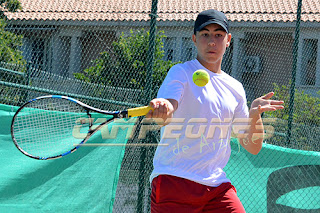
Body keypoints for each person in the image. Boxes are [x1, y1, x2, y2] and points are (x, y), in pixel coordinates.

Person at [146, 9, 284, 213]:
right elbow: (168, 107)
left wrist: (254, 116)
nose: (212, 41)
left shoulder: (235, 87)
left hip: (216, 187)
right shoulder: (181, 72)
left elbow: (252, 146)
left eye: (218, 35)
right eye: (205, 34)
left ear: (228, 40)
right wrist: (164, 107)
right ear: (194, 38)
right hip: (174, 179)